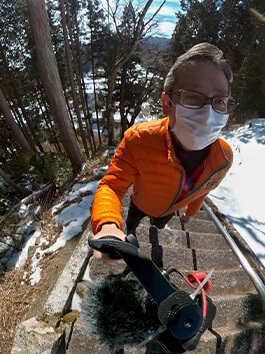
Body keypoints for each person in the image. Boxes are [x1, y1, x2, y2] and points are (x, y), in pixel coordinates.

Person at [90, 42, 236, 261]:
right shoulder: (139, 140)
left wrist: (190, 213)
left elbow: (203, 189)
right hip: (139, 203)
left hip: (168, 211)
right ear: (167, 103)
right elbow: (112, 185)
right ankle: (129, 234)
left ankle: (154, 229)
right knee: (131, 223)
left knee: (157, 225)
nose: (208, 113)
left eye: (220, 101)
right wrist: (108, 224)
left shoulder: (223, 158)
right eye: (193, 96)